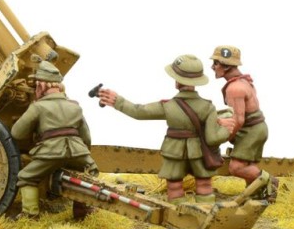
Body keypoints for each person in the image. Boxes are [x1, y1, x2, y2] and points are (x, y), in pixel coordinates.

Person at [98, 55, 230, 207]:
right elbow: (213, 138)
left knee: (174, 186)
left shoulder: (168, 106)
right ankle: (206, 214)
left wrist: (117, 101)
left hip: (173, 151)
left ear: (177, 81)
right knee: (204, 184)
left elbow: (139, 112)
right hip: (199, 152)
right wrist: (227, 130)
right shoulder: (208, 107)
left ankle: (177, 218)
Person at [11, 61, 98, 220]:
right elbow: (86, 137)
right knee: (86, 175)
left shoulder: (38, 107)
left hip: (50, 153)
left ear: (41, 86)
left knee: (26, 177)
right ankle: (83, 212)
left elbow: (17, 133)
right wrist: (84, 155)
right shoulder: (75, 106)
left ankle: (30, 214)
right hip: (78, 152)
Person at [210, 45, 276, 201]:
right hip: (256, 128)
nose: (212, 67)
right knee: (247, 164)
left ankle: (271, 183)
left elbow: (238, 120)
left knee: (237, 167)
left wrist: (224, 137)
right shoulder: (244, 82)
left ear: (226, 66)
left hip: (251, 130)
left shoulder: (234, 88)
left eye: (216, 63)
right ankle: (255, 192)